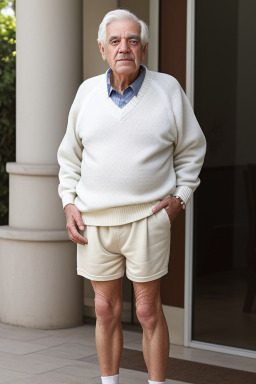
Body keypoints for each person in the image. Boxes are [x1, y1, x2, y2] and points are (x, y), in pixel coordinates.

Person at [57, 9, 206, 384]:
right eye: (115, 41)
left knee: (147, 312)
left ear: (144, 48)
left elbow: (192, 150)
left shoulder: (168, 89)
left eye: (133, 40)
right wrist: (68, 202)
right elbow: (69, 157)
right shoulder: (86, 93)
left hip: (147, 219)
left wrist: (181, 197)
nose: (124, 47)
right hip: (95, 222)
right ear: (102, 49)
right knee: (105, 310)